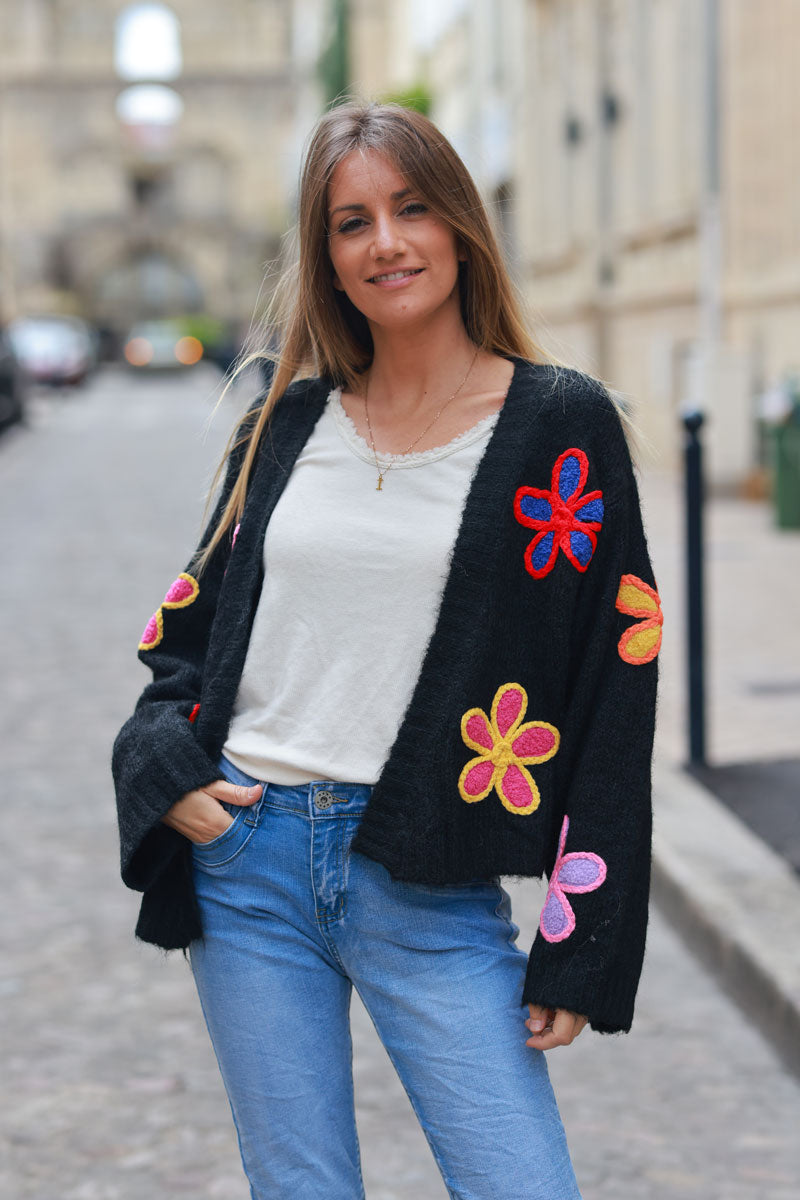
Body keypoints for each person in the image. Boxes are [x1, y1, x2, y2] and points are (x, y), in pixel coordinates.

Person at [113, 100, 660, 1200]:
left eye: (411, 210)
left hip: (427, 876)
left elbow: (616, 680)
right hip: (248, 863)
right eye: (350, 222)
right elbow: (186, 638)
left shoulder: (558, 424)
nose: (386, 243)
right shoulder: (286, 421)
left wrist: (579, 935)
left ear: (459, 227)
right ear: (325, 256)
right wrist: (164, 774)